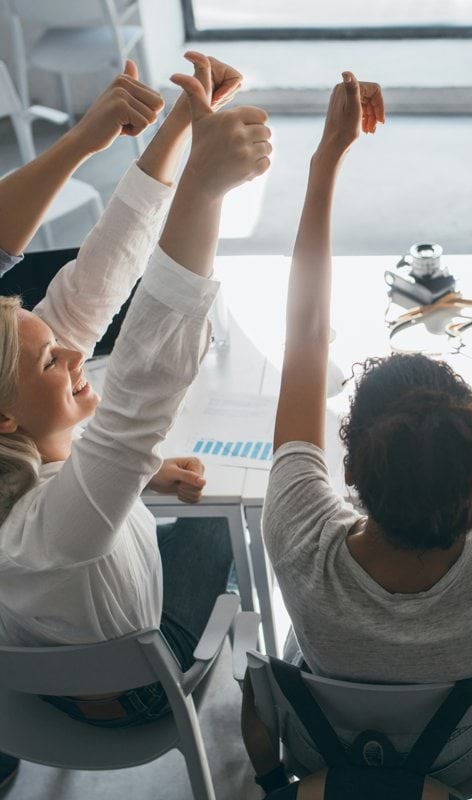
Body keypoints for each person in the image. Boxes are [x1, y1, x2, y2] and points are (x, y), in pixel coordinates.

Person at [246, 68, 472, 795]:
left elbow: (303, 336)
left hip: (321, 754)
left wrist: (328, 156)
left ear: (350, 475)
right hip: (459, 766)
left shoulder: (298, 539)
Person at [0, 53, 270, 790]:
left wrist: (179, 129)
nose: (74, 352)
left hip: (32, 669)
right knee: (224, 522)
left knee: (174, 492)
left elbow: (92, 289)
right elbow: (145, 385)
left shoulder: (21, 466)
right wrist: (204, 192)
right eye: (54, 361)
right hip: (131, 696)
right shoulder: (56, 533)